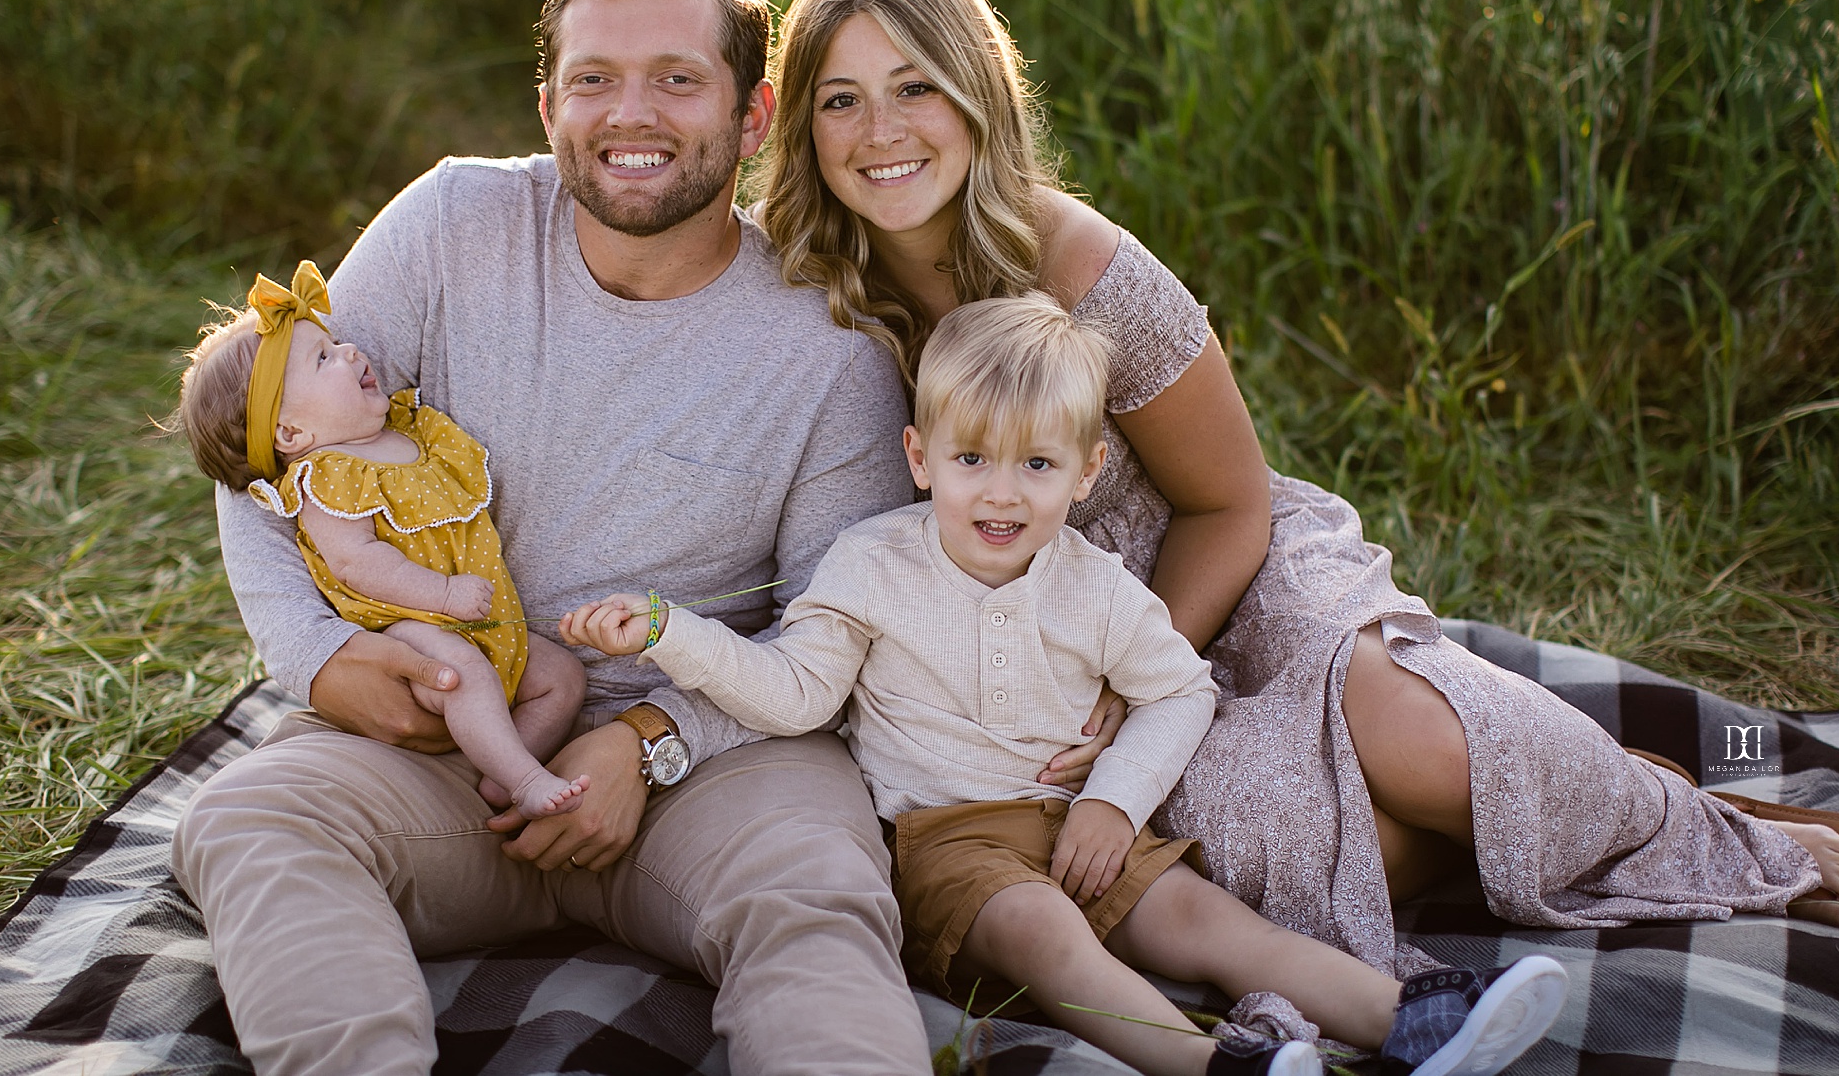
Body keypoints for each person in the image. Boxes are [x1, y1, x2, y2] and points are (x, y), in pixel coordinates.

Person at [747, 0, 1838, 976]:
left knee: (1412, 737)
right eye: (841, 98)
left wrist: (1136, 683)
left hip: (1220, 568)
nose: (880, 128)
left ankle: (1700, 824)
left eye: (915, 86)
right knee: (1290, 845)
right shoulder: (802, 297)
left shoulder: (1076, 262)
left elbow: (1226, 501)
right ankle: (1575, 796)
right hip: (1047, 642)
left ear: (976, 94)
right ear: (802, 124)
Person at [171, 0, 1099, 1076]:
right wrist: (317, 661)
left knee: (818, 891)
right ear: (549, 102)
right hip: (458, 727)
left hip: (714, 755)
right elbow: (269, 455)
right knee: (245, 818)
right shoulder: (451, 225)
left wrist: (649, 741)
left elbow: (832, 629)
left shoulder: (827, 349)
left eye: (677, 79)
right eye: (595, 79)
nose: (631, 115)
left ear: (753, 118)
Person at [564, 293, 1569, 1076]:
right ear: (920, 457)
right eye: (970, 458)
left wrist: (1112, 801)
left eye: (1036, 463)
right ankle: (1206, 1059)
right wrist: (672, 632)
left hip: (1076, 819)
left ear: (1086, 472)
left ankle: (1421, 1016)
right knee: (1042, 928)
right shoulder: (871, 565)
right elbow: (793, 694)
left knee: (1202, 920)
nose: (1000, 490)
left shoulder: (1095, 587)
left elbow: (1179, 692)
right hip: (942, 842)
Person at [174, 260, 589, 818]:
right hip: (414, 625)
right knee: (461, 677)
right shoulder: (326, 478)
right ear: (291, 433)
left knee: (561, 677)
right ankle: (524, 780)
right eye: (323, 359)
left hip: (489, 620)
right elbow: (356, 563)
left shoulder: (411, 432)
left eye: (337, 343)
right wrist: (442, 597)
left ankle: (501, 770)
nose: (349, 352)